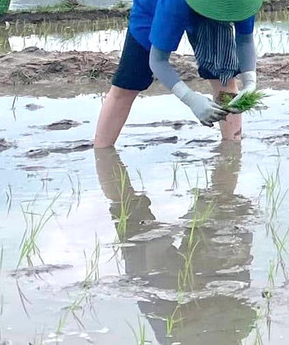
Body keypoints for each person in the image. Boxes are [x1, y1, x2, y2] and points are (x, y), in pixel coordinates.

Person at [94, 0, 264, 148]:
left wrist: (250, 82)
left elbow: (244, 40)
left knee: (224, 78)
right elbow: (157, 60)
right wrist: (190, 99)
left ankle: (232, 151)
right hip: (156, 5)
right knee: (127, 84)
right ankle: (101, 154)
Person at [94, 144, 258, 343]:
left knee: (129, 214)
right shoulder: (232, 318)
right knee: (134, 221)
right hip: (170, 288)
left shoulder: (167, 311)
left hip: (172, 293)